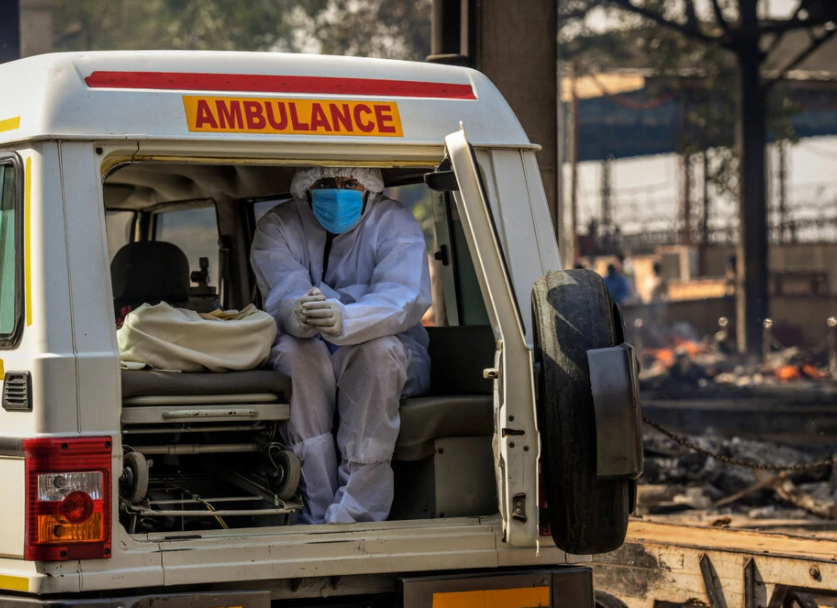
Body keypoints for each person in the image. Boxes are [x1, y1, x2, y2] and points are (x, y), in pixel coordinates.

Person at [250, 167, 432, 524]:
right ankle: (315, 515)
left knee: (375, 352)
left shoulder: (393, 223)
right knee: (291, 353)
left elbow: (404, 296)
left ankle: (355, 516)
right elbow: (283, 287)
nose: (338, 193)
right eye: (325, 184)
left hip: (394, 356)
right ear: (305, 186)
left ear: (369, 187)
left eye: (350, 183)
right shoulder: (280, 225)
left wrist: (348, 319)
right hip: (312, 352)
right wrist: (296, 313)